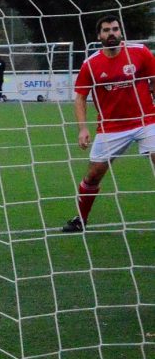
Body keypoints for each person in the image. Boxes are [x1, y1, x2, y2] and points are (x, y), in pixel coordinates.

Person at [63, 15, 155, 233]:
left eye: (115, 29)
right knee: (94, 173)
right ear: (99, 36)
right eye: (106, 30)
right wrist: (83, 128)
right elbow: (79, 97)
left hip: (146, 120)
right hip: (111, 127)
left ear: (121, 32)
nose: (111, 33)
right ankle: (81, 220)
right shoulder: (91, 64)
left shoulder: (140, 52)